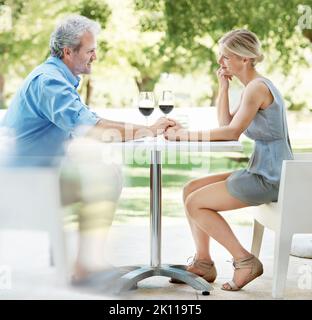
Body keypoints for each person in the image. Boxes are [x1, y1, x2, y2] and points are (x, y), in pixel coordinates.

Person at [0, 15, 174, 283]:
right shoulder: (50, 83)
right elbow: (95, 128)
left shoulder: (57, 77)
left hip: (32, 176)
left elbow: (86, 123)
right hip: (25, 183)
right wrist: (148, 130)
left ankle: (87, 264)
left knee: (103, 171)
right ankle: (86, 267)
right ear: (68, 52)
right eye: (90, 51)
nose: (95, 57)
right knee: (105, 177)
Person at [165, 29, 293, 291]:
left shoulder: (257, 88)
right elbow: (225, 124)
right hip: (261, 169)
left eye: (225, 57)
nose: (220, 62)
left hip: (270, 176)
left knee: (196, 203)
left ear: (244, 59)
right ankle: (203, 263)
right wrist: (223, 86)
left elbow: (230, 133)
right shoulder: (253, 87)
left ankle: (244, 261)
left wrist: (182, 136)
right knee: (191, 188)